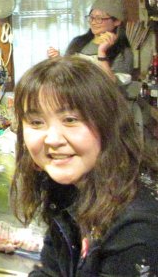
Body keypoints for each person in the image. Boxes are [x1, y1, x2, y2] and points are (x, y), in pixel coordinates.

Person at [12, 56, 158, 276]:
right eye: (36, 122)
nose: (52, 139)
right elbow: (51, 271)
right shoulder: (69, 187)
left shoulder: (136, 226)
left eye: (70, 119)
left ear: (108, 123)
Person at [47, 0, 132, 82]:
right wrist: (58, 60)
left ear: (117, 21)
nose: (93, 22)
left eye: (99, 18)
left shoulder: (123, 52)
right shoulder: (78, 42)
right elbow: (68, 76)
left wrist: (102, 52)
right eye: (91, 17)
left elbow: (112, 83)